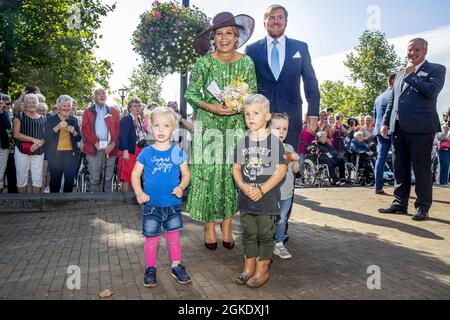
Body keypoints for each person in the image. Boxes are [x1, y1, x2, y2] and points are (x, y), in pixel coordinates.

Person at [186, 11, 257, 250]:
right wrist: (211, 106)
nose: (224, 38)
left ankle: (227, 223)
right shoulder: (204, 62)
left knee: (230, 175)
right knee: (207, 175)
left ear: (237, 37)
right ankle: (209, 225)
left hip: (235, 127)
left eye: (229, 33)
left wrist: (240, 104)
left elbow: (253, 94)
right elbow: (191, 94)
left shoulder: (246, 62)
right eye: (219, 34)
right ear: (213, 38)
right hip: (208, 127)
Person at [380, 38, 447, 221]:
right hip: (398, 128)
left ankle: (422, 207)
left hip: (421, 128)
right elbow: (393, 100)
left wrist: (412, 76)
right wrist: (386, 122)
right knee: (399, 167)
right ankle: (399, 203)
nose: (412, 53)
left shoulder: (436, 69)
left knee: (421, 168)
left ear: (425, 50)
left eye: (417, 50)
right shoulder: (400, 73)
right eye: (410, 50)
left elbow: (431, 91)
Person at [245, 4, 320, 151]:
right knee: (261, 166)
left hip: (291, 118)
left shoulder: (301, 47)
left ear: (286, 21)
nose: (276, 21)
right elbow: (246, 84)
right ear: (264, 22)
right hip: (261, 118)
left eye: (280, 17)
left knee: (289, 165)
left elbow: (310, 81)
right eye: (271, 18)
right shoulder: (251, 49)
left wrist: (313, 112)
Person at [131, 106, 191, 287]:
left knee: (173, 238)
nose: (161, 130)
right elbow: (134, 175)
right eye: (157, 126)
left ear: (173, 129)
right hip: (151, 205)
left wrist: (181, 186)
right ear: (150, 127)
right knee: (151, 240)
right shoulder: (146, 152)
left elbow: (187, 174)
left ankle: (176, 265)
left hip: (172, 205)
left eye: (166, 126)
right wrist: (139, 192)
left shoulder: (177, 152)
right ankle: (150, 268)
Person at [233, 94, 287, 288]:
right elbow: (236, 168)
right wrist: (244, 187)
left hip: (267, 200)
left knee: (265, 236)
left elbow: (281, 170)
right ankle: (248, 268)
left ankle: (262, 270)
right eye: (247, 114)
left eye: (255, 113)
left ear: (267, 116)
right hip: (246, 200)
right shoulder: (242, 142)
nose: (250, 117)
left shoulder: (275, 142)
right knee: (248, 234)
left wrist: (262, 189)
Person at [269, 113, 299, 259]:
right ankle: (266, 243)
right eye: (277, 128)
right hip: (271, 193)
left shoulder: (290, 147)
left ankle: (279, 243)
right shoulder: (267, 148)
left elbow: (295, 171)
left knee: (282, 219)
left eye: (285, 129)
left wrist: (296, 160)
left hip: (287, 192)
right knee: (269, 218)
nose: (281, 132)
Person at [81, 89, 120, 192]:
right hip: (94, 148)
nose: (102, 96)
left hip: (110, 148)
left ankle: (107, 201)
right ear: (94, 97)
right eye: (98, 94)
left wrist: (113, 144)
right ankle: (93, 200)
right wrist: (95, 142)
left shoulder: (114, 111)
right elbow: (85, 129)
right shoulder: (87, 111)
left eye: (103, 94)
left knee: (108, 177)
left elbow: (117, 130)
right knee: (94, 178)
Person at [43, 95, 81, 193]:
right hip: (55, 154)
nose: (66, 108)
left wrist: (74, 132)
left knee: (69, 180)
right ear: (58, 106)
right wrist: (57, 127)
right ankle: (55, 203)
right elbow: (46, 137)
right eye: (64, 106)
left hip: (71, 154)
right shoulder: (51, 119)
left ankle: (67, 202)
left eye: (69, 106)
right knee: (55, 180)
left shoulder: (73, 120)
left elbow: (78, 138)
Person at [12, 93, 46, 194]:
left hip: (38, 151)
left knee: (38, 177)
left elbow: (46, 136)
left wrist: (39, 143)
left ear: (37, 104)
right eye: (29, 102)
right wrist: (33, 140)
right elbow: (16, 134)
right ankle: (23, 203)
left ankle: (35, 202)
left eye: (34, 102)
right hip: (22, 151)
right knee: (22, 176)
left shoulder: (43, 118)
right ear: (25, 104)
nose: (31, 104)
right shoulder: (20, 116)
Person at [373, 74, 396, 195]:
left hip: (379, 130)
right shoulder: (395, 94)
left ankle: (378, 186)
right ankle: (399, 187)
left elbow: (374, 116)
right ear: (393, 81)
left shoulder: (378, 97)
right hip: (392, 130)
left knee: (380, 158)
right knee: (397, 158)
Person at [118, 98, 147, 192]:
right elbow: (123, 136)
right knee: (127, 175)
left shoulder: (139, 119)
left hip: (138, 150)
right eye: (134, 106)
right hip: (129, 150)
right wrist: (125, 151)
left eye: (139, 106)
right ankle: (125, 198)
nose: (137, 108)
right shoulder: (127, 119)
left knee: (134, 174)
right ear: (130, 108)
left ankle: (131, 196)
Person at [0, 94, 12, 193]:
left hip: (3, 147)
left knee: (0, 174)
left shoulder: (5, 114)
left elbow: (8, 126)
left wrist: (2, 112)